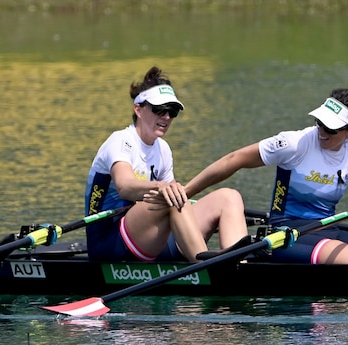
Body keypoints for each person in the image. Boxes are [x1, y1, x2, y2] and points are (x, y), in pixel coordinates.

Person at [181, 84, 348, 265]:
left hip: (328, 229)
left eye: (331, 128)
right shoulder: (294, 143)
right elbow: (234, 160)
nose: (322, 131)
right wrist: (185, 192)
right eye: (319, 122)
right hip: (288, 235)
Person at [85, 66, 248, 262]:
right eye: (159, 110)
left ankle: (239, 265)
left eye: (172, 111)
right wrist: (163, 187)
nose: (167, 117)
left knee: (229, 197)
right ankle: (206, 265)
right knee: (169, 195)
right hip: (110, 242)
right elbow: (125, 187)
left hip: (151, 237)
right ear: (138, 109)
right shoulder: (120, 141)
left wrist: (170, 190)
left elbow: (178, 202)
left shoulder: (163, 149)